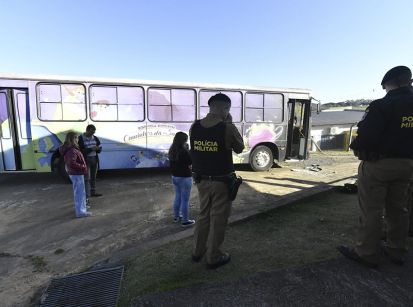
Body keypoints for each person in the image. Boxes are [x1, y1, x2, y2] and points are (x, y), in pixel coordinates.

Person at [338, 66, 413, 268]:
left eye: (385, 86)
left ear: (392, 83)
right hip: (408, 165)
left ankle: (367, 253)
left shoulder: (383, 105)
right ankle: (397, 251)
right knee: (399, 209)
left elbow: (366, 136)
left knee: (372, 209)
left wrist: (357, 147)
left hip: (379, 165)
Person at [190, 93, 244, 269]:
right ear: (225, 109)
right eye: (228, 109)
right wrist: (229, 123)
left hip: (201, 181)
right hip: (221, 182)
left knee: (203, 214)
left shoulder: (194, 126)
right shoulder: (226, 127)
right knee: (218, 218)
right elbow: (239, 147)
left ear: (210, 107)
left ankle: (198, 251)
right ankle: (214, 256)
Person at [59, 132, 91, 218]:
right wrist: (83, 166)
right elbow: (71, 163)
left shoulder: (70, 149)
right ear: (72, 139)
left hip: (76, 173)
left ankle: (82, 208)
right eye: (76, 138)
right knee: (79, 193)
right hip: (76, 173)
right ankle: (81, 212)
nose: (78, 139)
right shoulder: (72, 150)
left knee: (80, 192)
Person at [168, 131, 196, 227]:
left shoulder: (172, 149)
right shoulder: (184, 151)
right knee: (185, 200)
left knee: (177, 197)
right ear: (183, 140)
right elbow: (190, 162)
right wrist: (188, 151)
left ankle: (176, 217)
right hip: (185, 178)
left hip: (175, 177)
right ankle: (185, 221)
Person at [78, 124, 102, 199]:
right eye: (91, 132)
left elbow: (99, 148)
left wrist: (98, 149)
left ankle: (93, 192)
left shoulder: (95, 138)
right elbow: (81, 151)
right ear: (87, 130)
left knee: (93, 177)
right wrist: (91, 149)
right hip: (86, 159)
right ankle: (86, 195)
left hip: (94, 158)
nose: (92, 134)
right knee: (86, 178)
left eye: (94, 132)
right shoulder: (80, 138)